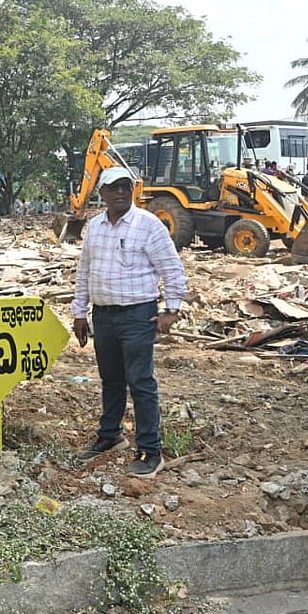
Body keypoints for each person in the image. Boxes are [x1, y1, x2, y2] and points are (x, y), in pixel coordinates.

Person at [71, 167, 188, 477]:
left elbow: (172, 268)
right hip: (103, 315)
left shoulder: (148, 225)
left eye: (125, 186)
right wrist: (79, 311)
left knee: (140, 381)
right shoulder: (95, 227)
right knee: (111, 380)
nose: (120, 192)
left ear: (133, 190)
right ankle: (110, 435)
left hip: (137, 314)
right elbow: (84, 271)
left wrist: (172, 309)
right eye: (113, 187)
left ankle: (150, 450)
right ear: (102, 193)